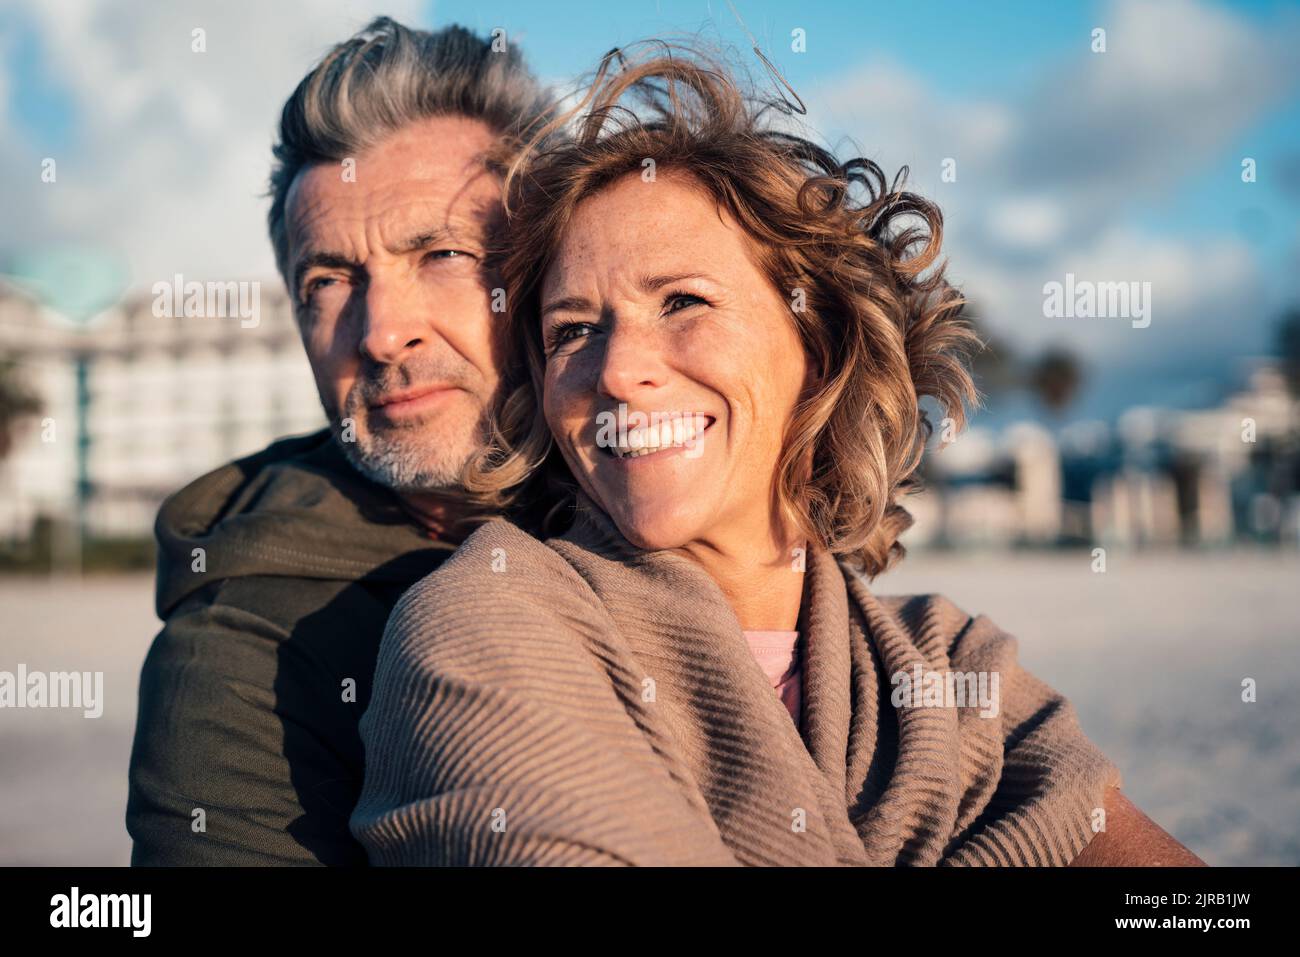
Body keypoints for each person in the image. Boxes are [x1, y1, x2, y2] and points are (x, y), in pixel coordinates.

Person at [350, 45, 1205, 866]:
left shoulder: (946, 665)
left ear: (820, 342)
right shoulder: (484, 626)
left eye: (682, 300)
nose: (615, 370)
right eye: (573, 330)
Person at [126, 17, 551, 865]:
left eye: (441, 252)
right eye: (329, 281)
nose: (382, 333)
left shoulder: (672, 510)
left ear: (553, 266)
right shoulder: (237, 661)